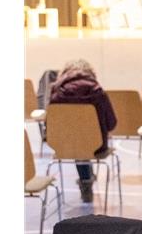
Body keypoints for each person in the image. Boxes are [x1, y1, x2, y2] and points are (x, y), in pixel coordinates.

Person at [48, 59, 116, 203]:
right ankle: (87, 180)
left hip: (63, 145)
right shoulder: (97, 91)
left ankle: (86, 180)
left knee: (76, 145)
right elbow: (111, 123)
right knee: (84, 145)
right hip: (96, 145)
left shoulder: (56, 91)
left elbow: (50, 124)